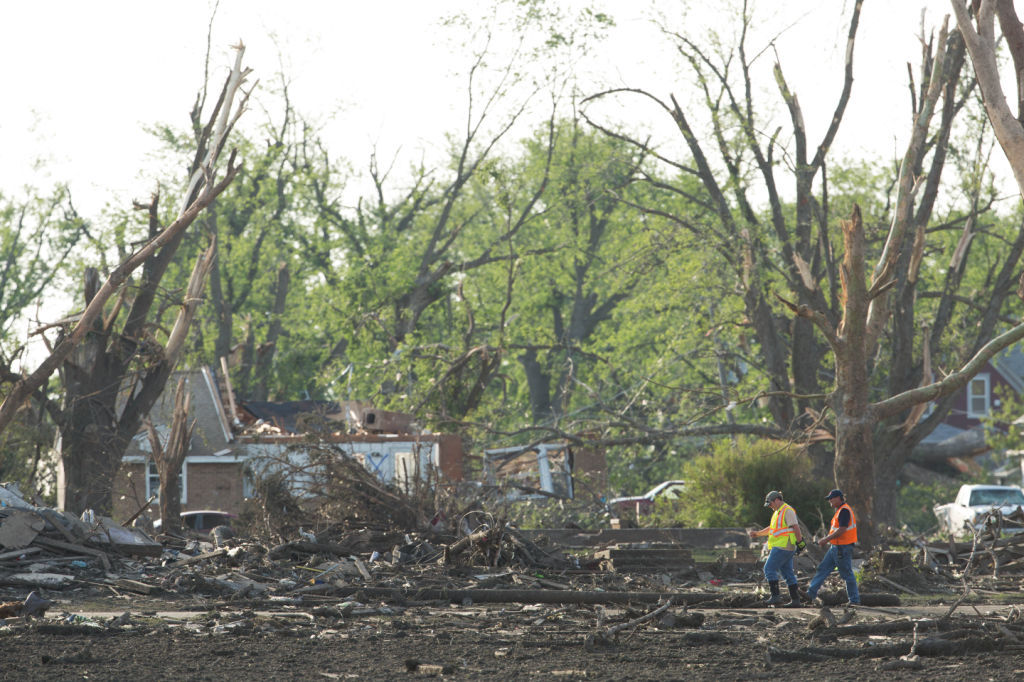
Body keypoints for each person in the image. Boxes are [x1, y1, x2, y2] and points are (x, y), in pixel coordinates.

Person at [748, 490, 806, 607]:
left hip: (783, 546)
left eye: (770, 503)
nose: (770, 506)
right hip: (783, 546)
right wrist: (758, 533)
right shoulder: (777, 512)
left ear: (777, 500)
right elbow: (772, 528)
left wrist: (800, 543)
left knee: (769, 569)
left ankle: (775, 597)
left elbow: (796, 527)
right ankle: (795, 600)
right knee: (787, 573)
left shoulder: (787, 510)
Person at [805, 488, 860, 606]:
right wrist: (828, 540)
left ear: (839, 498)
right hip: (835, 547)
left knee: (847, 574)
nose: (829, 501)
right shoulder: (840, 510)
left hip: (842, 548)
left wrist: (826, 539)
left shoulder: (844, 510)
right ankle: (810, 593)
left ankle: (854, 600)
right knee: (822, 569)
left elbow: (842, 529)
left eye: (831, 498)